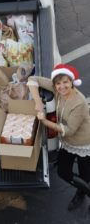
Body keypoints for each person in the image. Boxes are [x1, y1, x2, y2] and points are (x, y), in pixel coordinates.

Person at [27, 63, 90, 211]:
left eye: (65, 82)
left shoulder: (79, 103)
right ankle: (84, 190)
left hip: (83, 142)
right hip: (68, 142)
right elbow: (32, 79)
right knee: (63, 172)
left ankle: (82, 192)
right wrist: (38, 103)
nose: (61, 87)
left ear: (72, 82)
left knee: (85, 174)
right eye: (58, 83)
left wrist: (44, 121)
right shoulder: (58, 89)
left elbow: (68, 130)